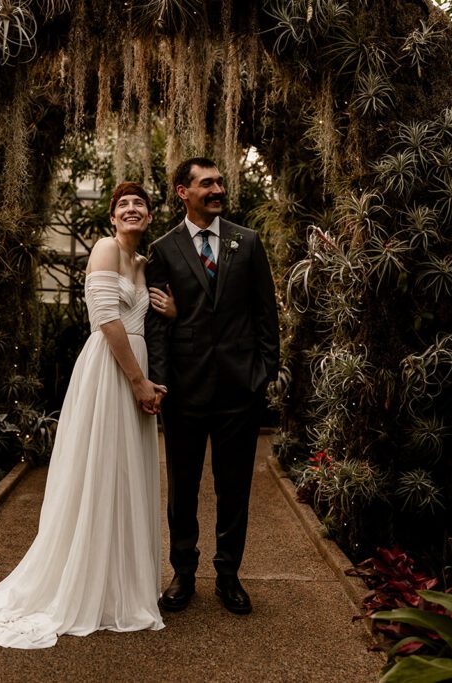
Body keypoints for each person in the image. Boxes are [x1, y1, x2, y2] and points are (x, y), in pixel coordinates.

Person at [0, 182, 176, 649]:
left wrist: (173, 315)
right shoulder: (105, 248)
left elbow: (149, 317)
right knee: (100, 470)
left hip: (134, 368)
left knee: (127, 475)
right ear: (111, 217)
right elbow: (106, 318)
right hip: (111, 370)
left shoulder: (145, 265)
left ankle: (122, 584)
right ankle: (89, 584)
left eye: (139, 205)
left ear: (148, 217)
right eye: (122, 204)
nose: (131, 209)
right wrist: (138, 381)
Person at [145, 157, 280, 615]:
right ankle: (183, 573)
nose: (217, 189)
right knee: (182, 488)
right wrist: (159, 383)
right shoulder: (163, 249)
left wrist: (263, 375)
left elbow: (267, 316)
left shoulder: (248, 241)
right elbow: (158, 325)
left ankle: (228, 575)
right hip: (184, 390)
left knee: (234, 487)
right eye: (207, 183)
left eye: (220, 182)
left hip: (240, 391)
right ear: (183, 191)